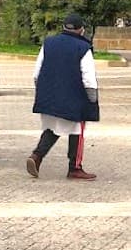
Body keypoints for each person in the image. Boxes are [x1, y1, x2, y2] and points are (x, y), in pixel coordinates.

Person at [27, 12, 99, 181]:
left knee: (53, 127)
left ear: (63, 27)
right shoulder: (83, 48)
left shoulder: (49, 43)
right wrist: (92, 100)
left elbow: (37, 73)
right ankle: (75, 167)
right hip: (74, 99)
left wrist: (44, 92)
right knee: (77, 130)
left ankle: (36, 156)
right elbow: (88, 78)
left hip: (49, 96)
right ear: (81, 30)